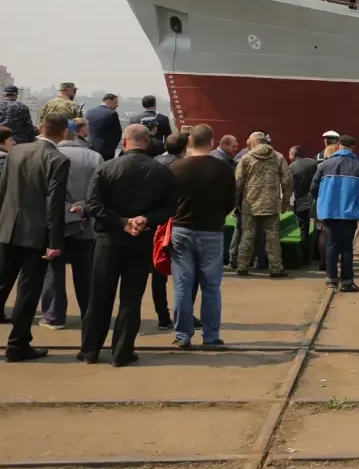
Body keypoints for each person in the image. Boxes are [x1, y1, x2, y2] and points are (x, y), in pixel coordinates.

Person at [80, 124, 175, 365]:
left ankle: (90, 350)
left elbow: (93, 204)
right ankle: (122, 352)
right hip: (141, 240)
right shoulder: (162, 172)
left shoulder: (106, 168)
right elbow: (170, 208)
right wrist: (146, 219)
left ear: (124, 142)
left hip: (109, 240)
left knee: (99, 297)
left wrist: (121, 222)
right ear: (148, 143)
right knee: (131, 299)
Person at [0, 114, 71, 361]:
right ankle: (17, 344)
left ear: (41, 127)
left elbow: (3, 188)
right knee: (28, 291)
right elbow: (54, 204)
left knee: (2, 283)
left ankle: (18, 345)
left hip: (8, 228)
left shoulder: (16, 151)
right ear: (64, 132)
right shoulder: (57, 159)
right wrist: (55, 242)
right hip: (36, 234)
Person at [168, 124, 236, 348]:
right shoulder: (224, 169)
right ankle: (211, 336)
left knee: (182, 285)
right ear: (212, 142)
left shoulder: (176, 168)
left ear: (189, 141)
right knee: (211, 286)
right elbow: (230, 202)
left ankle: (182, 335)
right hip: (211, 231)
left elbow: (168, 201)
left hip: (181, 230)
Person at [39, 118, 101, 329]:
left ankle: (54, 316)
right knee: (85, 271)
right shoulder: (94, 157)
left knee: (54, 270)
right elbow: (100, 192)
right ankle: (89, 314)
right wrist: (83, 206)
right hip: (85, 222)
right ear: (76, 134)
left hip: (55, 223)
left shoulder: (49, 155)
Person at [312, 135, 359, 292]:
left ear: (338, 146)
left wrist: (324, 200)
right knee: (347, 247)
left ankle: (331, 279)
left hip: (329, 211)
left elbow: (314, 188)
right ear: (353, 147)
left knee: (331, 245)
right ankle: (347, 282)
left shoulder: (324, 165)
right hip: (349, 213)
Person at [234, 132, 291, 277]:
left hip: (250, 203)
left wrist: (236, 202)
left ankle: (242, 266)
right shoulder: (278, 157)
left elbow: (238, 182)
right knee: (272, 237)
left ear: (253, 142)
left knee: (247, 235)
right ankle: (276, 268)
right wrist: (286, 200)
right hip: (271, 204)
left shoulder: (246, 158)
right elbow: (287, 180)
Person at [288, 146, 319, 264]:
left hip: (301, 200)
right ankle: (317, 254)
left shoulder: (291, 167)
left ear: (292, 155)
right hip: (316, 198)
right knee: (319, 227)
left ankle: (306, 258)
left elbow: (290, 187)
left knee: (303, 229)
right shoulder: (314, 163)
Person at [85, 93, 122, 162]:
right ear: (108, 101)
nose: (117, 105)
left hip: (90, 147)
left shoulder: (89, 111)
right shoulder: (112, 113)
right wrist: (112, 148)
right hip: (106, 151)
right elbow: (117, 133)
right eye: (115, 103)